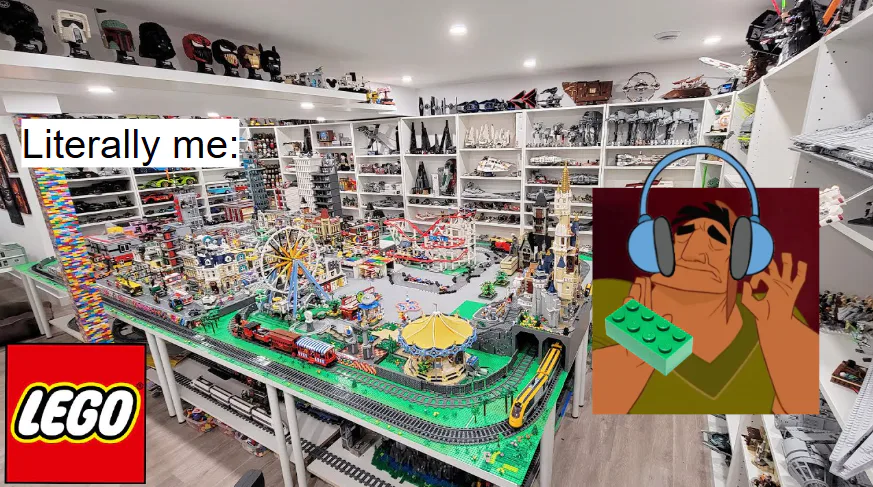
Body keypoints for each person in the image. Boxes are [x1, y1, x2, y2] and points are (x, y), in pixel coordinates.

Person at [593, 201, 817, 414]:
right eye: (684, 234)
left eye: (717, 238)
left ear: (742, 260)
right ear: (659, 250)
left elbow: (797, 409)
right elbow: (595, 399)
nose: (694, 253)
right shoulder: (610, 295)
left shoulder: (771, 312)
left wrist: (780, 332)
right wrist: (633, 358)